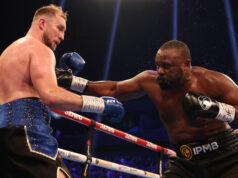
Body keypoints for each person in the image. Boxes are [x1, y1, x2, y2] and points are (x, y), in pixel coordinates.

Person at [56, 40, 238, 178]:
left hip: (226, 156)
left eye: (167, 66)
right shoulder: (150, 82)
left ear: (186, 64)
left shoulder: (212, 81)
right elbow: (114, 89)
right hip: (186, 161)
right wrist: (73, 82)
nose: (160, 71)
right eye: (158, 65)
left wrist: (217, 110)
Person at [0, 4, 124, 178]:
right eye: (59, 28)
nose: (62, 36)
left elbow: (25, 91)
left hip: (6, 136)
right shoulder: (40, 49)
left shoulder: (8, 52)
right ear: (42, 23)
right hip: (30, 134)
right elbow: (51, 95)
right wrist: (100, 105)